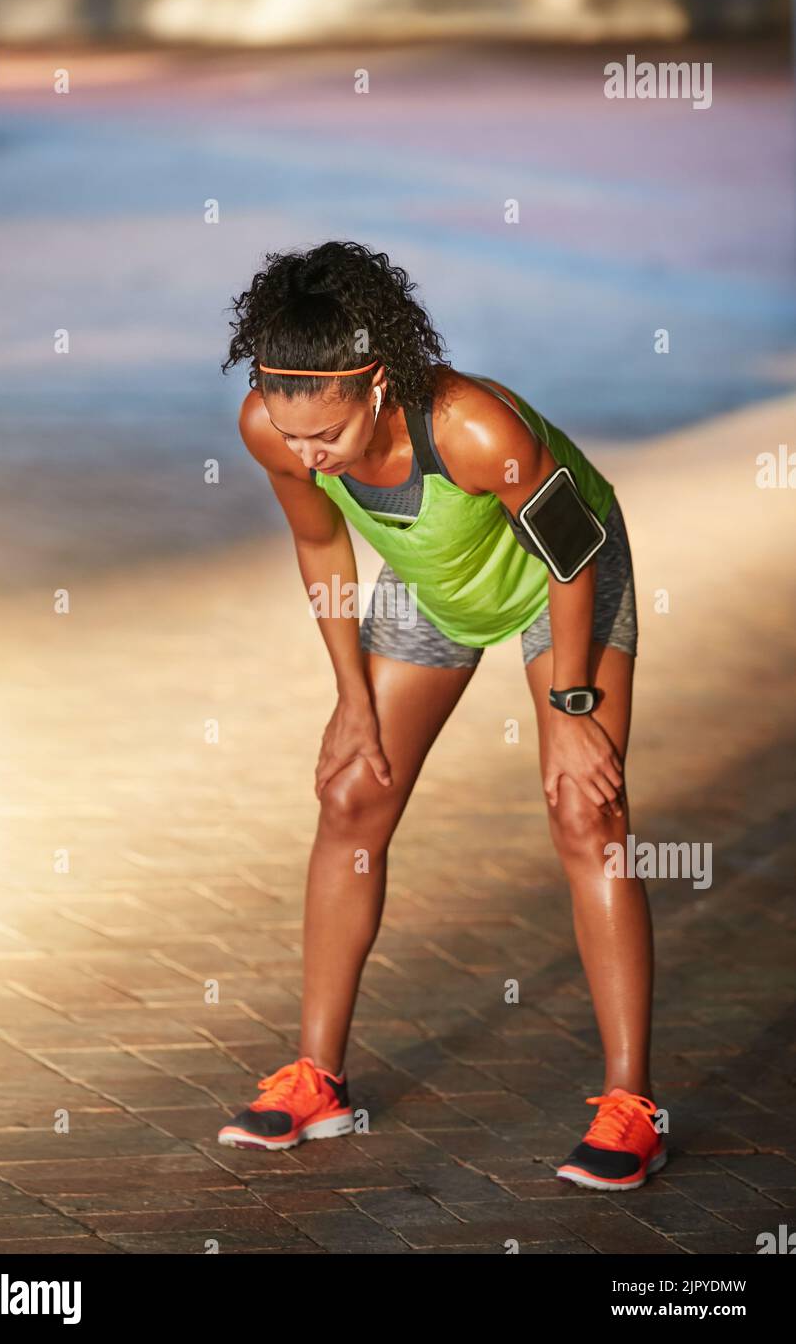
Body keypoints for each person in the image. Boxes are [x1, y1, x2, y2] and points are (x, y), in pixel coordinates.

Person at [218, 240, 665, 1191]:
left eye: (325, 438)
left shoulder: (473, 429)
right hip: (435, 586)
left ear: (376, 385)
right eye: (290, 438)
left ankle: (634, 1105)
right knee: (352, 793)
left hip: (566, 583)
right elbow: (323, 550)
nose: (305, 455)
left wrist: (572, 706)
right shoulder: (273, 423)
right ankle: (317, 1078)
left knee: (589, 813)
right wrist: (350, 700)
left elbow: (573, 557)